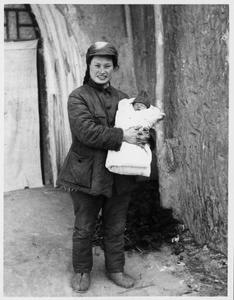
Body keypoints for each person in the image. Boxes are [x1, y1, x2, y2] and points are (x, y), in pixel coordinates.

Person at [56, 41, 155, 293]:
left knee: (116, 226)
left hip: (119, 174)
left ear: (114, 68)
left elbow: (140, 125)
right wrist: (124, 135)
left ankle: (116, 269)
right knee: (84, 227)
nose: (102, 70)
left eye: (107, 66)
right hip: (86, 174)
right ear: (88, 66)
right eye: (97, 65)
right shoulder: (77, 97)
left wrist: (145, 135)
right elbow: (86, 132)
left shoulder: (123, 99)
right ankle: (81, 270)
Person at [106, 90, 165, 177]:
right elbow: (86, 132)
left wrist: (147, 135)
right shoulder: (81, 96)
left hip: (128, 172)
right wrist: (123, 135)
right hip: (97, 164)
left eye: (142, 105)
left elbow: (151, 125)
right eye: (137, 104)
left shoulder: (121, 96)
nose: (138, 106)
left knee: (127, 188)